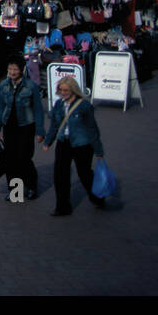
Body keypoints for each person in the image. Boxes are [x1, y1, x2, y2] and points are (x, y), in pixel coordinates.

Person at [43, 76, 106, 216]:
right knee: (60, 175)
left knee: (84, 173)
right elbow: (54, 125)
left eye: (66, 90)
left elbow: (92, 128)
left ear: (73, 90)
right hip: (63, 142)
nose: (63, 92)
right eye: (61, 89)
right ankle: (62, 207)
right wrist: (48, 141)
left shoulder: (84, 106)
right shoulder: (59, 104)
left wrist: (98, 149)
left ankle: (98, 197)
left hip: (81, 144)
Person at [0, 58, 43, 201]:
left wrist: (40, 131)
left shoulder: (30, 86)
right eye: (10, 69)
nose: (12, 72)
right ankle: (16, 192)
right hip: (9, 126)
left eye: (15, 69)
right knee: (10, 159)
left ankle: (31, 186)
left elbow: (38, 110)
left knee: (24, 158)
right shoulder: (4, 85)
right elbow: (0, 107)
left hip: (26, 126)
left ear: (21, 70)